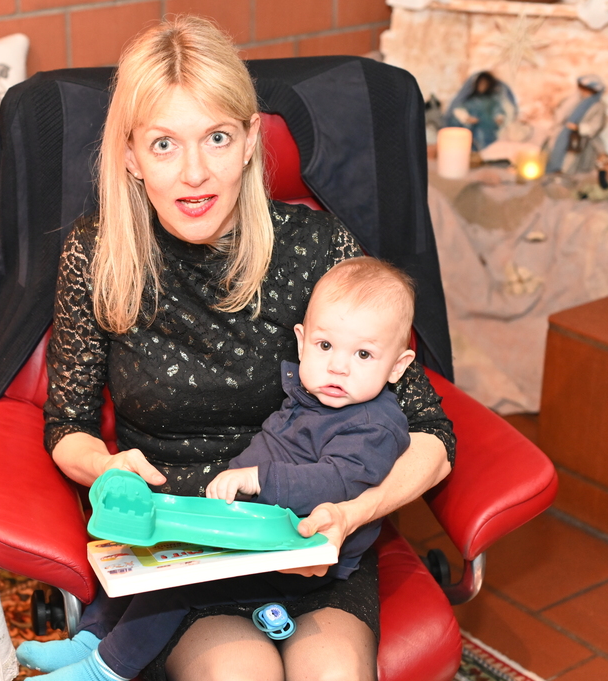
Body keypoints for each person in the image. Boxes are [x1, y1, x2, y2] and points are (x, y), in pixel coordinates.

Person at [32, 15, 455, 681]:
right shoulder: (97, 254)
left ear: (251, 140)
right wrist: (105, 467)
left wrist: (353, 513)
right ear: (132, 156)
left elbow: (430, 429)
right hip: (182, 544)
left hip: (314, 532)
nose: (195, 173)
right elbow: (67, 425)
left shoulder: (317, 247)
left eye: (217, 138)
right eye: (164, 144)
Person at [17, 257, 417, 681]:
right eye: (325, 346)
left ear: (397, 366)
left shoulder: (373, 426)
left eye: (363, 354)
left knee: (179, 583)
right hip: (255, 525)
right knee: (155, 551)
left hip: (302, 556)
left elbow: (337, 481)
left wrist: (257, 478)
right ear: (301, 343)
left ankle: (102, 670)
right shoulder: (313, 395)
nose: (339, 366)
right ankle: (92, 637)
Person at [545, 74, 607, 174]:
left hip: (578, 138)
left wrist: (578, 127)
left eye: (586, 90)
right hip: (563, 133)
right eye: (582, 89)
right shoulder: (575, 99)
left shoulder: (598, 106)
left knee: (570, 162)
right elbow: (561, 113)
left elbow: (596, 125)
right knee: (554, 153)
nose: (583, 92)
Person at [445, 71, 516, 151]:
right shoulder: (471, 100)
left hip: (489, 127)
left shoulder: (491, 100)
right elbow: (459, 109)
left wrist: (499, 117)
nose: (482, 86)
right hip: (474, 128)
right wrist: (466, 118)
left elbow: (498, 109)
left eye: (485, 84)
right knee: (473, 142)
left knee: (490, 145)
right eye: (481, 84)